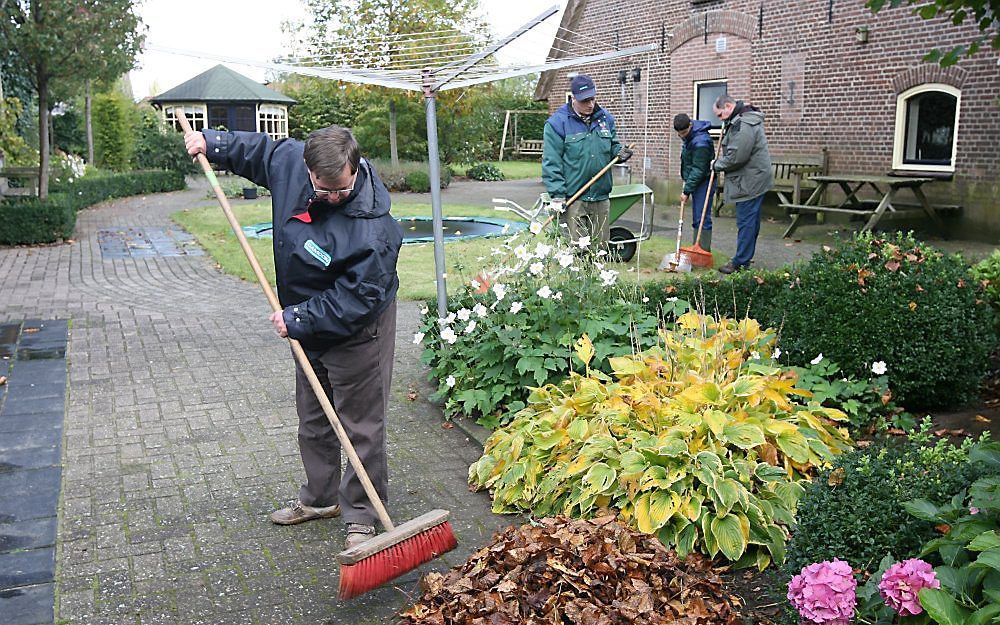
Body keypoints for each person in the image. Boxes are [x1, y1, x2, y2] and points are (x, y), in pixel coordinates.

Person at [184, 125, 403, 550]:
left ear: (354, 168)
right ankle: (321, 497)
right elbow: (259, 151)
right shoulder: (290, 163)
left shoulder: (373, 227)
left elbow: (359, 297)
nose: (335, 197)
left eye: (342, 188)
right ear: (307, 170)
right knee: (314, 416)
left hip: (357, 328)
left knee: (360, 423)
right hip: (307, 322)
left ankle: (362, 513)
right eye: (325, 190)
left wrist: (300, 317)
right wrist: (214, 144)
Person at [542, 74, 632, 251]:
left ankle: (597, 278)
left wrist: (620, 152)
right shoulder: (557, 124)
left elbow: (612, 145)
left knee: (600, 251)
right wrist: (558, 195)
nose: (590, 104)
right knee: (578, 253)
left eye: (592, 99)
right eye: (585, 101)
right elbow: (552, 162)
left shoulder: (605, 119)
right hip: (575, 198)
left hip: (601, 196)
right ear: (573, 98)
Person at [711, 94, 773, 274]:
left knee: (746, 221)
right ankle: (744, 258)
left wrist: (716, 165)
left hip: (750, 180)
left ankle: (740, 262)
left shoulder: (743, 124)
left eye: (720, 115)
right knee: (750, 221)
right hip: (755, 177)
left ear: (729, 106)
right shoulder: (742, 120)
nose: (720, 119)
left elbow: (738, 157)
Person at [673, 113, 716, 251]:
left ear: (690, 125)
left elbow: (698, 169)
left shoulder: (701, 142)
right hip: (694, 179)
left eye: (684, 133)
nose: (682, 136)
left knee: (702, 216)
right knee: (697, 216)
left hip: (704, 181)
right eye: (679, 134)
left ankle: (702, 250)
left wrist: (686, 191)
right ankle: (696, 248)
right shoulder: (690, 136)